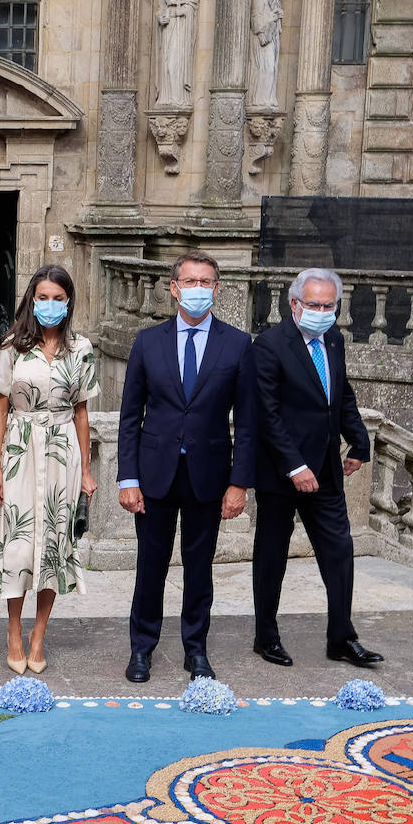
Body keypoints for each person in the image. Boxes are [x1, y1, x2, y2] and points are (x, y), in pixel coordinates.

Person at [117, 251, 256, 683]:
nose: (198, 289)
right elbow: (129, 416)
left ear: (216, 289)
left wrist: (239, 484)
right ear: (174, 288)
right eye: (190, 282)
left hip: (208, 476)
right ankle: (142, 648)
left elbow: (248, 422)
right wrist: (128, 478)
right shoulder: (147, 341)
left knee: (200, 569)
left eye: (206, 282)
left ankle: (196, 650)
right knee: (150, 567)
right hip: (155, 474)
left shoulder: (237, 344)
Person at [251, 267, 382, 668]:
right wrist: (294, 466)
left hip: (325, 470)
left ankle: (341, 637)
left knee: (340, 551)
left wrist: (359, 442)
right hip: (281, 472)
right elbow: (267, 415)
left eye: (329, 305)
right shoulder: (270, 345)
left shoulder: (334, 339)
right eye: (314, 305)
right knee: (272, 554)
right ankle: (266, 636)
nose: (322, 312)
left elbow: (341, 395)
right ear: (295, 304)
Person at [0, 265, 99, 674]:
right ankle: (14, 630)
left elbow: (83, 412)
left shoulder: (81, 348)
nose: (50, 305)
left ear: (69, 302)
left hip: (62, 451)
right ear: (32, 300)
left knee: (52, 545)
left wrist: (86, 470)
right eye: (43, 297)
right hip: (19, 450)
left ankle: (39, 633)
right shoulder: (12, 345)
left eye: (59, 298)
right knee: (17, 545)